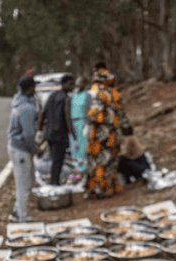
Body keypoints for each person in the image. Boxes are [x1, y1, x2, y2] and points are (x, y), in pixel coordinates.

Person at [84, 62, 130, 199]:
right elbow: (122, 115)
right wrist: (125, 127)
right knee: (110, 160)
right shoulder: (115, 94)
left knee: (96, 161)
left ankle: (95, 189)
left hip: (97, 133)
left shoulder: (94, 94)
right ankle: (108, 188)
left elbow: (90, 114)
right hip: (112, 133)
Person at [38, 74, 77, 185]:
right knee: (58, 160)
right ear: (63, 84)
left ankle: (54, 180)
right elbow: (67, 118)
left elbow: (43, 112)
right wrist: (74, 136)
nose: (72, 87)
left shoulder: (52, 95)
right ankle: (55, 182)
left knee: (54, 159)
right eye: (70, 84)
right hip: (59, 134)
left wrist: (40, 129)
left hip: (49, 133)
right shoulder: (65, 98)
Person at [7, 76, 37, 223]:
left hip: (14, 145)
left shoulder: (18, 101)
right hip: (21, 148)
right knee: (23, 184)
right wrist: (34, 149)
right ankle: (22, 217)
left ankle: (16, 212)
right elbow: (29, 134)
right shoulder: (27, 108)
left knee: (23, 182)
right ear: (30, 89)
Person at [69, 76, 92, 169]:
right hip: (72, 121)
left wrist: (88, 124)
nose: (79, 84)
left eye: (81, 82)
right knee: (73, 145)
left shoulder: (87, 95)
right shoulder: (72, 95)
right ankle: (75, 166)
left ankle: (83, 167)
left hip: (82, 121)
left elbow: (90, 109)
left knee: (82, 145)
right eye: (78, 82)